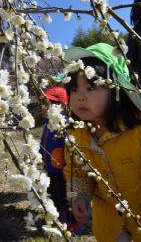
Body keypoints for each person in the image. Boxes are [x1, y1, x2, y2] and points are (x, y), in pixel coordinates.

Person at [63, 42, 141, 242]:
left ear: (115, 90)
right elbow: (77, 172)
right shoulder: (76, 135)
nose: (80, 97)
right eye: (74, 90)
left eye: (90, 88)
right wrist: (79, 197)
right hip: (110, 225)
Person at [40, 86, 85, 234]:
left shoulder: (65, 123)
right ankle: (60, 219)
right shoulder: (47, 123)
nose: (45, 108)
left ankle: (74, 223)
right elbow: (43, 142)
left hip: (63, 171)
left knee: (67, 197)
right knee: (55, 195)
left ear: (63, 106)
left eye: (51, 105)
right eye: (45, 104)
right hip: (51, 169)